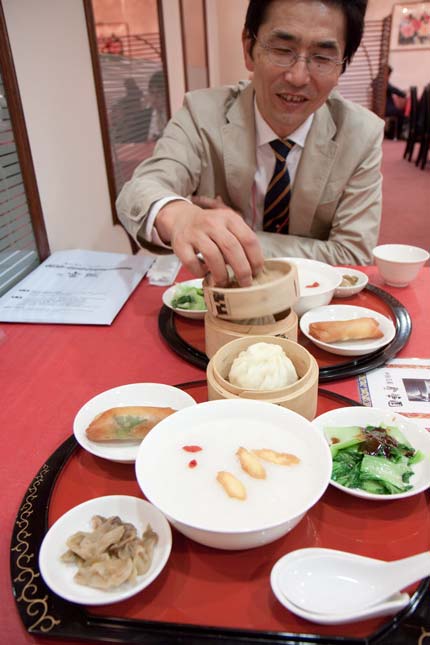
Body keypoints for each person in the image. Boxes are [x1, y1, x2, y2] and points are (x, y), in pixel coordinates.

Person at [117, 0, 384, 286]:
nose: (297, 77)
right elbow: (138, 192)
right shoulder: (201, 114)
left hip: (310, 301)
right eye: (282, 50)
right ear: (248, 49)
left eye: (322, 57)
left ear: (343, 64)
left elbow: (353, 255)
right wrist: (181, 216)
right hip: (219, 293)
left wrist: (235, 235)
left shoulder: (360, 134)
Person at [385, 65, 407, 140]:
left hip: (380, 108)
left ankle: (391, 133)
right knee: (402, 114)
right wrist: (404, 93)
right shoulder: (385, 84)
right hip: (387, 109)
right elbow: (400, 93)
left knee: (399, 112)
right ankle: (397, 134)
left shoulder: (376, 82)